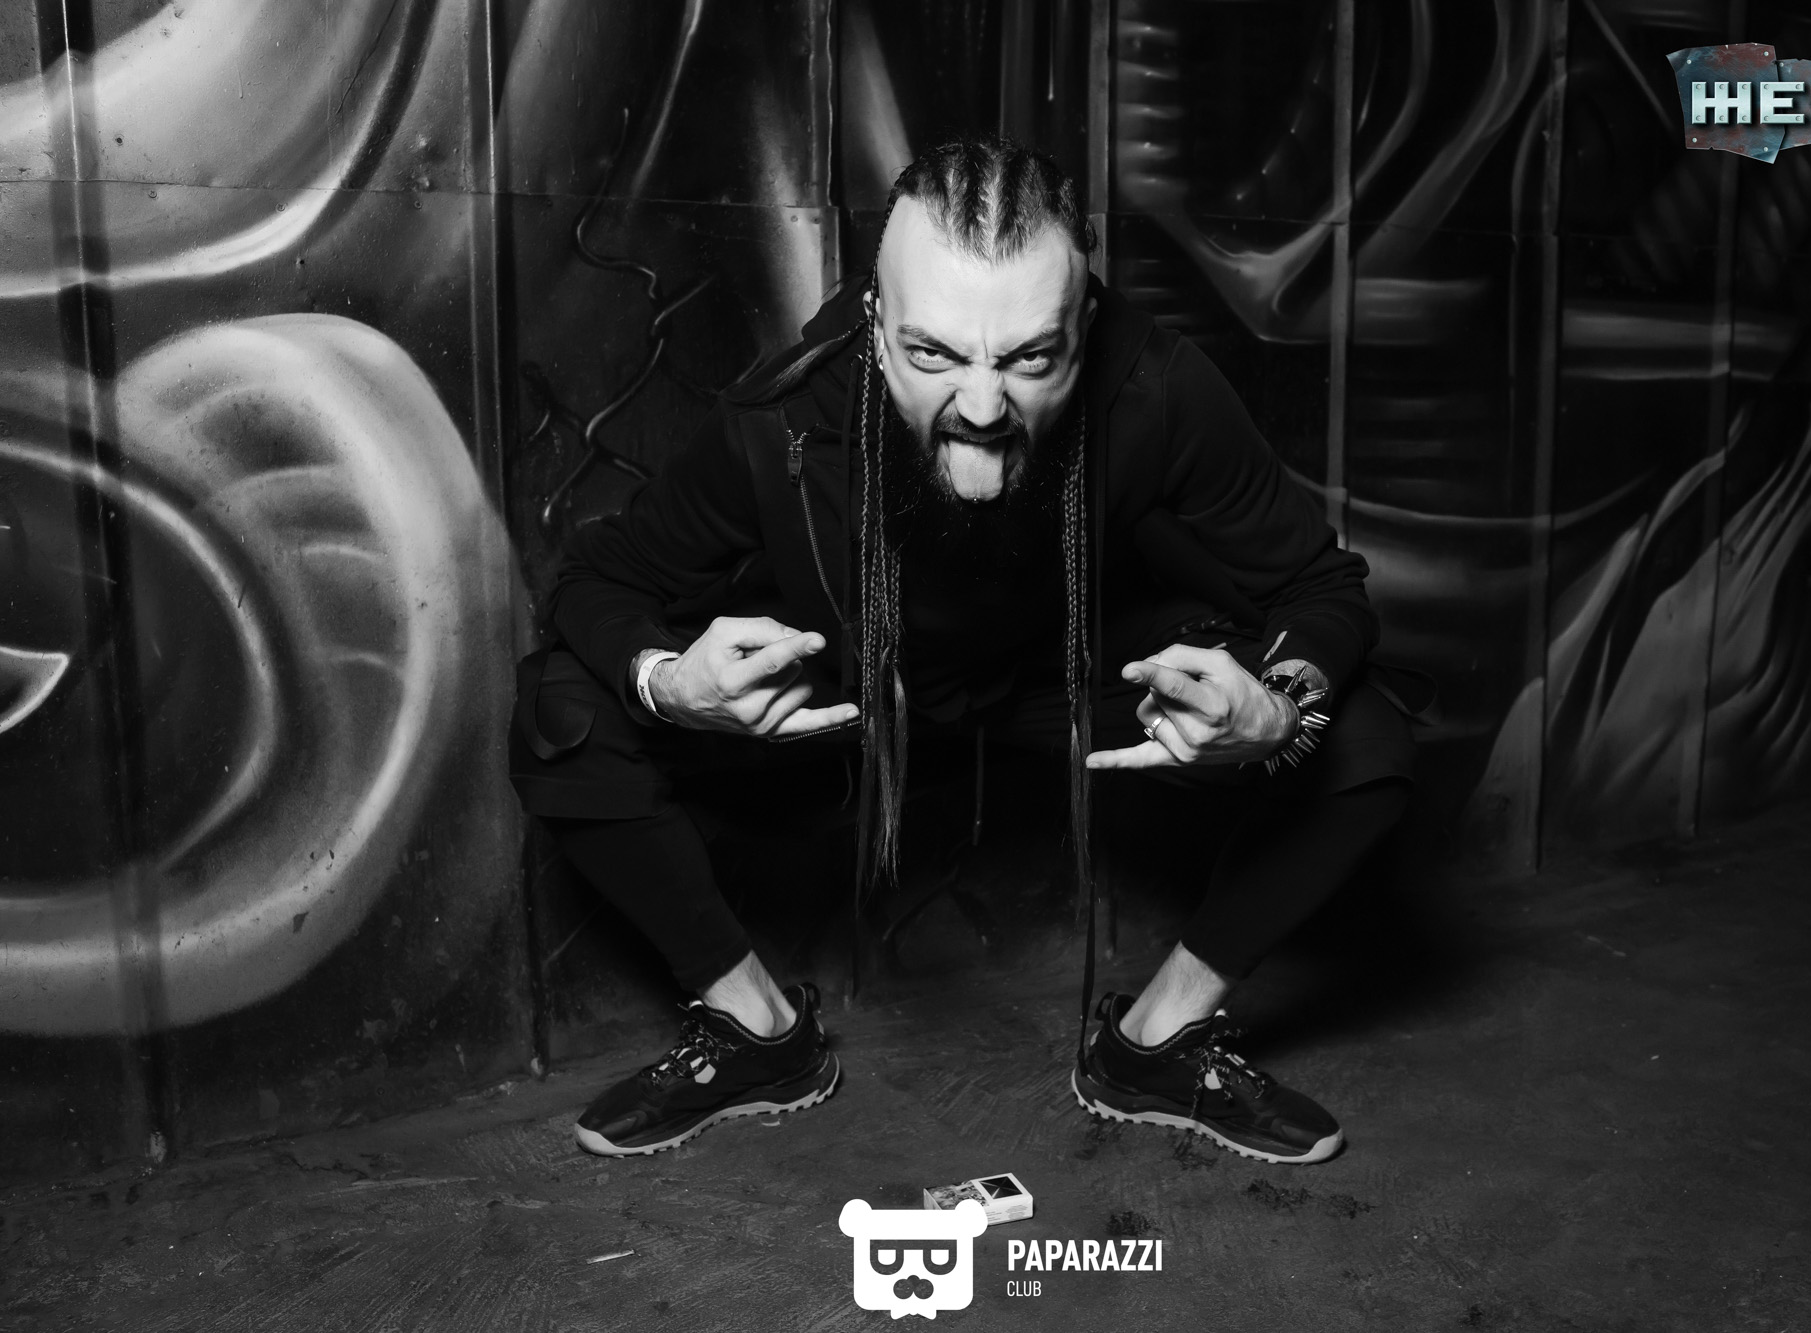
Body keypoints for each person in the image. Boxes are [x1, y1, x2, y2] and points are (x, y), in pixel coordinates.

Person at [511, 134, 1418, 1166]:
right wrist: (671, 685)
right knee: (559, 712)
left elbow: (1321, 588)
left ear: (1082, 328)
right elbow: (598, 582)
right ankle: (754, 1031)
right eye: (933, 355)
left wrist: (1277, 702)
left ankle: (1157, 1044)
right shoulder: (788, 412)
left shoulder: (1159, 391)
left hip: (1072, 687)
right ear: (875, 327)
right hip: (855, 692)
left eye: (1030, 359)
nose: (982, 409)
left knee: (1360, 738)